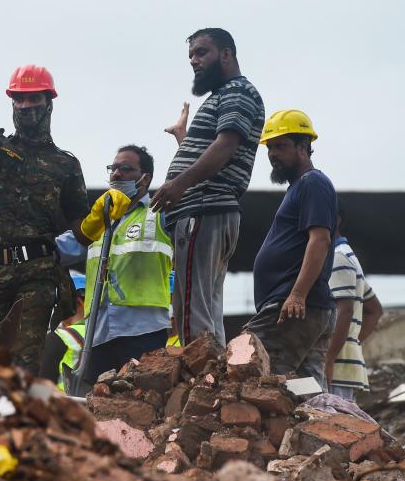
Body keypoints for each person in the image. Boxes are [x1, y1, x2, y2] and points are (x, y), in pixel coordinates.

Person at [0, 63, 130, 375]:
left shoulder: (65, 164)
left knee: (25, 360)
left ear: (48, 102)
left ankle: (20, 419)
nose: (25, 106)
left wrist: (98, 217)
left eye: (33, 98)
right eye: (19, 99)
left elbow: (78, 227)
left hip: (38, 271)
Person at [152, 28, 265, 345]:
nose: (194, 61)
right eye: (191, 55)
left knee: (191, 310)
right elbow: (213, 153)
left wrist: (178, 185)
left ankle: (199, 383)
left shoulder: (237, 92)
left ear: (226, 54)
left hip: (203, 211)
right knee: (206, 309)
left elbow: (226, 146)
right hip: (210, 210)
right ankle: (212, 380)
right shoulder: (225, 96)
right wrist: (182, 139)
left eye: (202, 52)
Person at [245, 110, 337, 386]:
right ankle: (318, 428)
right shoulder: (300, 187)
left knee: (248, 363)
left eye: (281, 146)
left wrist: (297, 295)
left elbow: (320, 239)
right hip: (306, 308)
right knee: (305, 390)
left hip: (293, 307)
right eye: (270, 147)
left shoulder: (312, 183)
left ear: (302, 147)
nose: (273, 154)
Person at [73, 146, 172, 384]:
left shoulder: (159, 212)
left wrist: (184, 142)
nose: (116, 174)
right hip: (98, 332)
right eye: (113, 168)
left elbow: (192, 197)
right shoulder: (98, 218)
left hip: (142, 330)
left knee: (139, 404)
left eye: (126, 169)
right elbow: (63, 247)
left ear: (144, 178)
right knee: (98, 408)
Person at [326, 201, 384, 401]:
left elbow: (345, 311)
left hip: (336, 368)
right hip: (344, 366)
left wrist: (330, 357)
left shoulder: (336, 257)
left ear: (337, 220)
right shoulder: (347, 256)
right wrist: (352, 341)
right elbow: (375, 309)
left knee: (332, 427)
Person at [39, 272, 87, 392]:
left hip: (63, 404)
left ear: (79, 303)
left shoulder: (59, 337)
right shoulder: (106, 334)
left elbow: (42, 381)